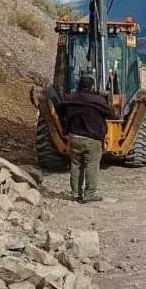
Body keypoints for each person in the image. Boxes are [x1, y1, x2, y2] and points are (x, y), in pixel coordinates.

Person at [58, 74, 116, 203]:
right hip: (92, 139)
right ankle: (89, 195)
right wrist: (105, 99)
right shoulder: (98, 100)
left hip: (74, 137)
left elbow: (60, 112)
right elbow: (112, 113)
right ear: (92, 86)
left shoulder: (71, 99)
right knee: (91, 166)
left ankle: (75, 194)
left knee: (76, 165)